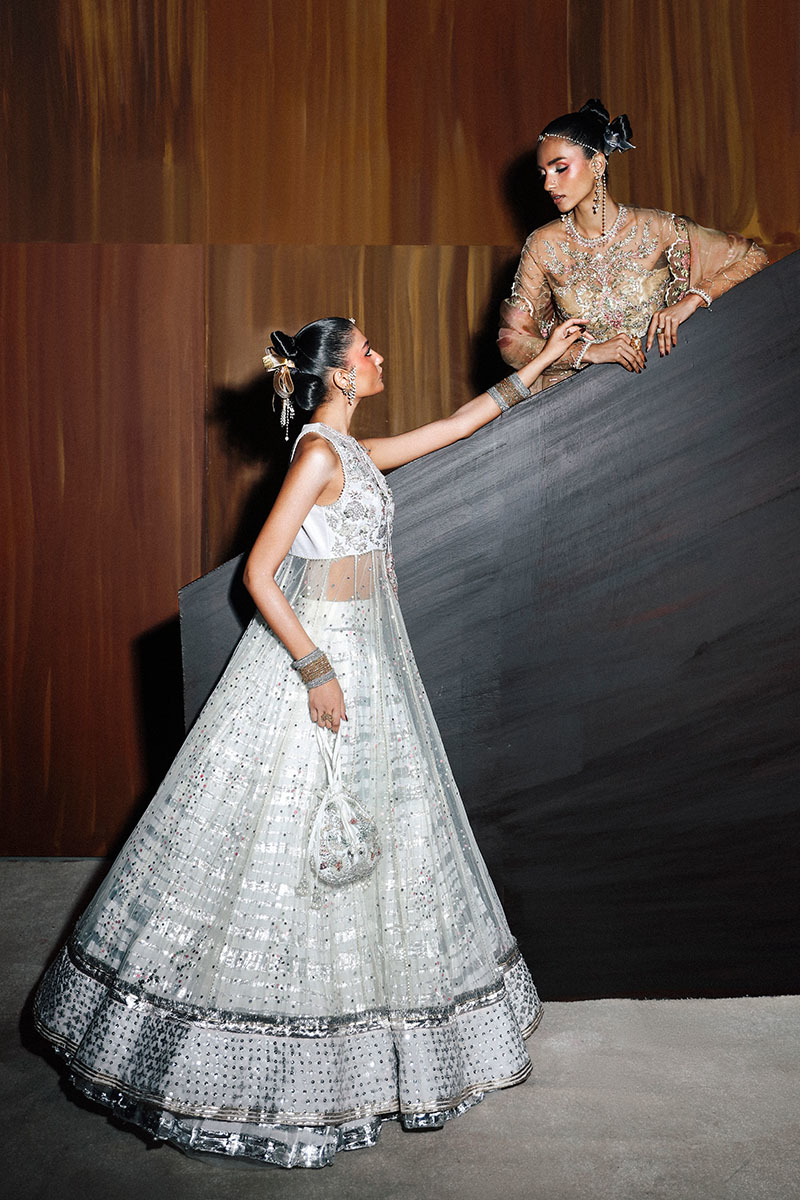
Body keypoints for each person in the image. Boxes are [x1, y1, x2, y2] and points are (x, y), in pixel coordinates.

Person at [33, 313, 584, 1168]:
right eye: (367, 350)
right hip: (323, 655)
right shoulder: (319, 456)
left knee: (375, 833)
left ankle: (368, 1036)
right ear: (341, 375)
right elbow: (260, 572)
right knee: (287, 833)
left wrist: (545, 359)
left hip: (369, 655)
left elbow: (455, 425)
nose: (379, 357)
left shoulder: (351, 450)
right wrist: (316, 668)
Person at [499, 99, 768, 390]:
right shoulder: (542, 245)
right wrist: (589, 352)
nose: (548, 185)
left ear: (597, 164)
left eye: (560, 169)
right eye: (543, 173)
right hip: (586, 397)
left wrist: (691, 301)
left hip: (668, 385)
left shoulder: (658, 228)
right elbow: (512, 341)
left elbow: (754, 257)